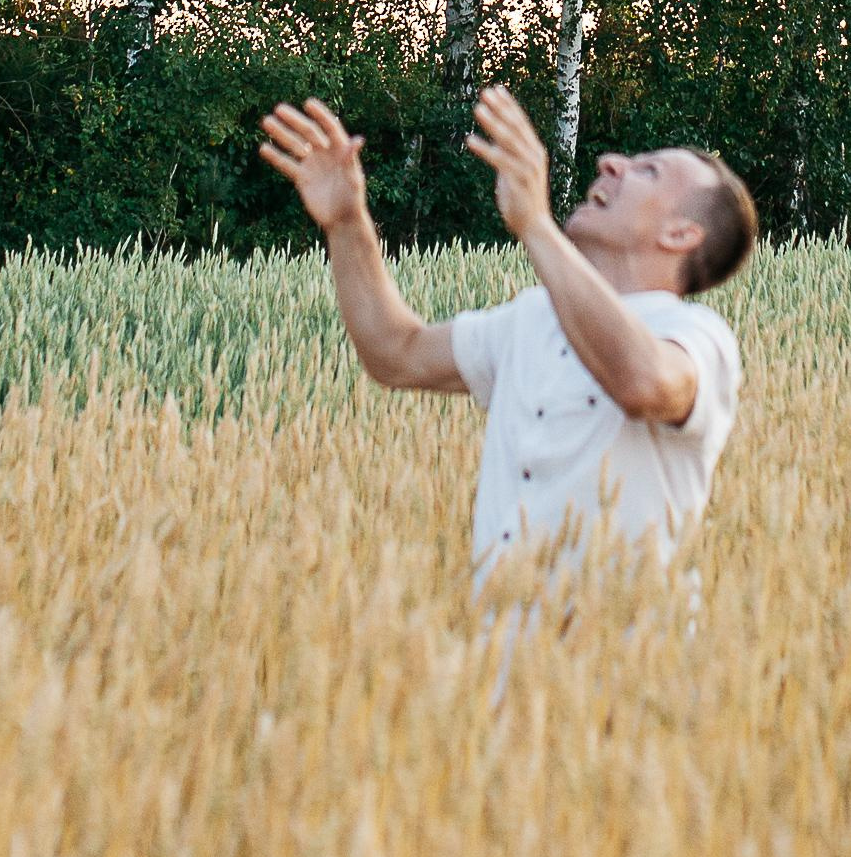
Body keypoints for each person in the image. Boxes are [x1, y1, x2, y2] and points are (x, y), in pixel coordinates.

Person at [258, 82, 755, 591]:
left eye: (647, 171)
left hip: (626, 664)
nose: (610, 162)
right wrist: (346, 219)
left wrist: (537, 225)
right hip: (503, 663)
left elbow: (643, 383)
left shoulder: (699, 338)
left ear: (680, 235)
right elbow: (395, 353)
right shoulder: (529, 319)